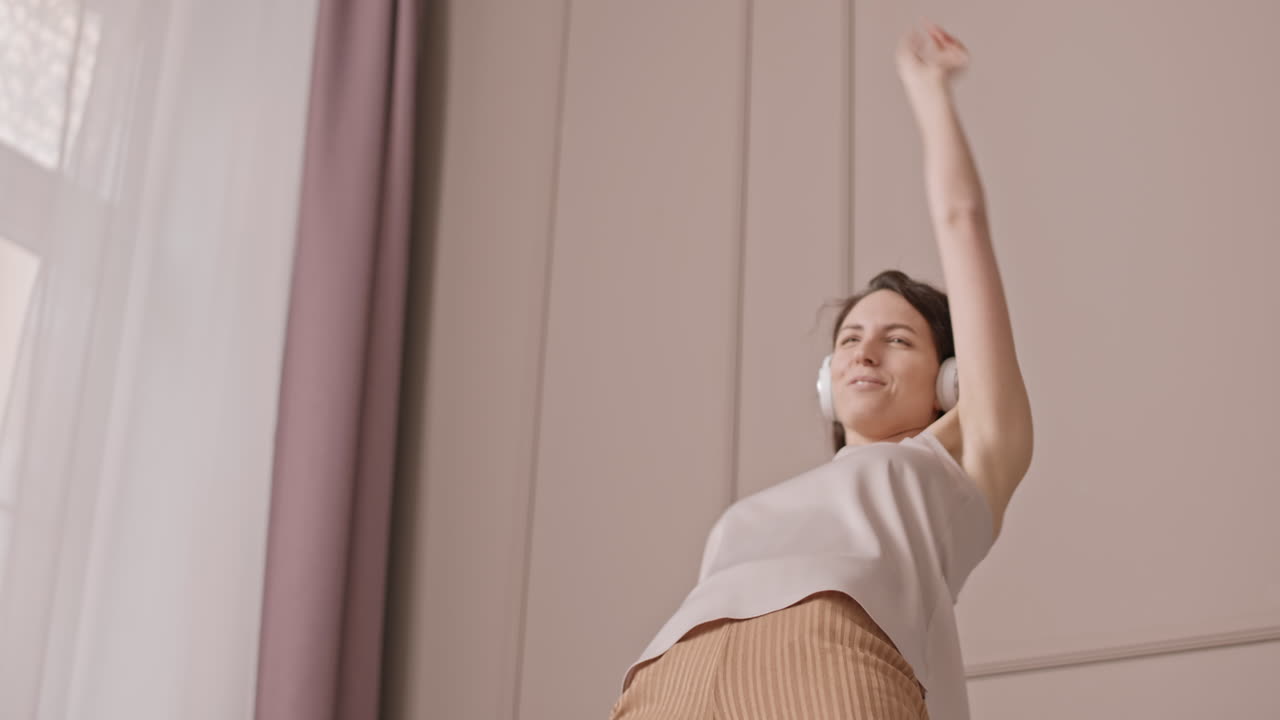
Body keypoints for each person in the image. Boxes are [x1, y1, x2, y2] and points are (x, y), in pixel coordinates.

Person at [609, 21, 1034, 720]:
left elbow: (962, 220)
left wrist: (928, 93)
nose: (864, 352)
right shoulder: (766, 507)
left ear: (949, 382)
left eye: (898, 339)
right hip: (665, 679)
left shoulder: (966, 464)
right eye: (849, 338)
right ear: (825, 382)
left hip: (829, 660)